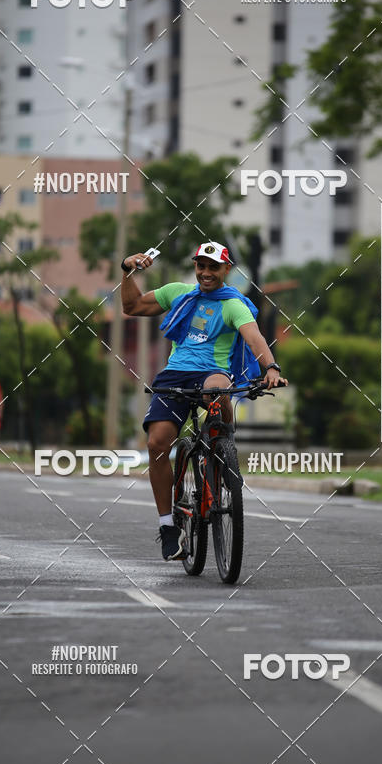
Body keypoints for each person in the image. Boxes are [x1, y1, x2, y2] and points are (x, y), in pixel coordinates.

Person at [121, 241, 287, 562]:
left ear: (226, 270)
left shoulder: (233, 304)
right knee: (157, 443)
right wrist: (127, 271)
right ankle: (168, 525)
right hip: (175, 374)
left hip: (212, 373)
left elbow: (254, 337)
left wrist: (271, 367)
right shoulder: (178, 293)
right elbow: (133, 307)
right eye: (201, 266)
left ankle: (223, 444)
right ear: (195, 266)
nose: (206, 273)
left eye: (214, 267)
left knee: (217, 391)